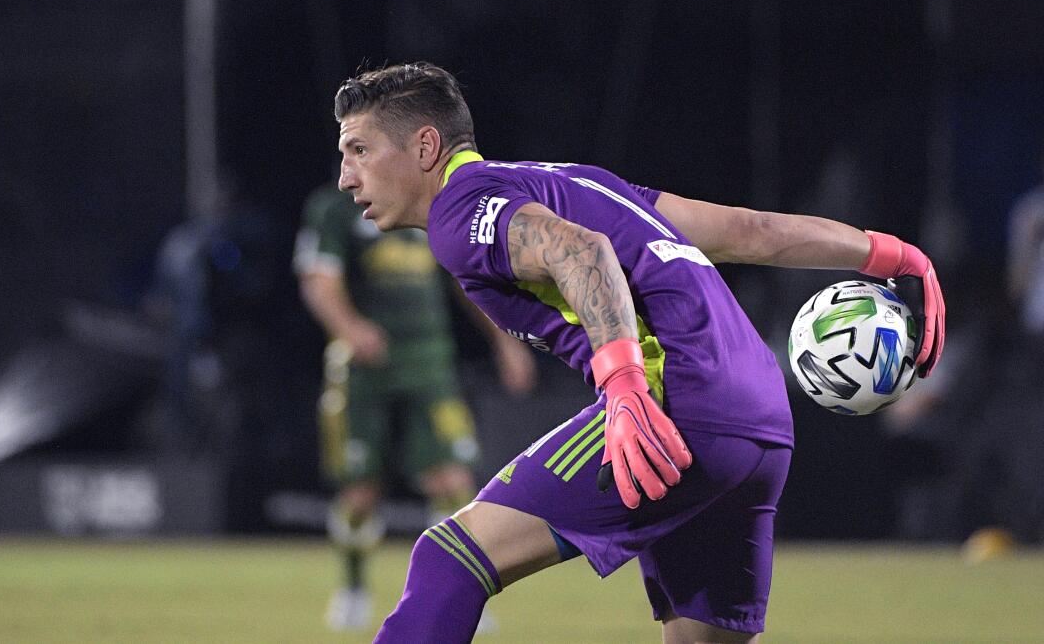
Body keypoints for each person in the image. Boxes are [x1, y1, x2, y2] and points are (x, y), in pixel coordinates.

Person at [330, 62, 946, 643]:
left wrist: (624, 387)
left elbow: (582, 253)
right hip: (762, 417)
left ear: (426, 148)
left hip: (675, 406)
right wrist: (889, 253)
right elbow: (747, 231)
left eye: (360, 150)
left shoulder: (459, 211)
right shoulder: (578, 182)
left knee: (448, 559)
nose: (346, 176)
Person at [294, 177, 537, 631]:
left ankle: (454, 595)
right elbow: (318, 279)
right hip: (365, 373)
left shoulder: (427, 208)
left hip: (430, 368)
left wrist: (506, 342)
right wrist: (350, 328)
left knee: (453, 483)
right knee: (361, 493)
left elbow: (467, 281)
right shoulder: (335, 208)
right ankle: (352, 589)